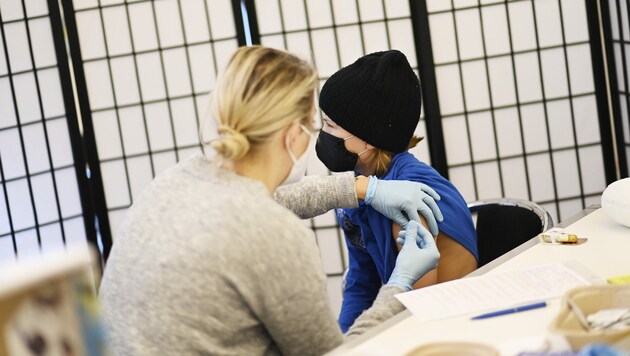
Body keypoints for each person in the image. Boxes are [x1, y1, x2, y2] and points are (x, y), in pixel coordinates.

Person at [98, 45, 440, 355]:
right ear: (293, 136)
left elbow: (262, 203)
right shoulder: (275, 236)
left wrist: (362, 188)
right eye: (316, 126)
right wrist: (399, 285)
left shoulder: (178, 180)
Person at [315, 50, 479, 332]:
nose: (323, 133)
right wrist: (343, 346)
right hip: (412, 321)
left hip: (449, 329)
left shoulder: (409, 198)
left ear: (369, 138)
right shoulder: (360, 188)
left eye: (331, 125)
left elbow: (417, 310)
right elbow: (361, 283)